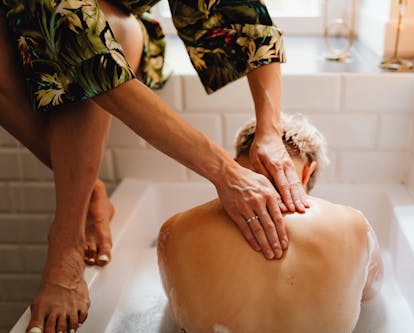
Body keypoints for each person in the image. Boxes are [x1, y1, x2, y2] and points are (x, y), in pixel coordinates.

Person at [0, 1, 309, 332]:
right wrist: (224, 173)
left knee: (109, 27)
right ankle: (69, 233)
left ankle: (81, 191)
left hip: (118, 30)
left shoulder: (180, 232)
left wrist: (270, 131)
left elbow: (244, 16)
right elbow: (79, 42)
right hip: (40, 23)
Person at [157, 113, 384, 333]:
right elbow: (370, 292)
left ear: (235, 164)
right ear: (308, 172)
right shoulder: (355, 227)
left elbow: (175, 300)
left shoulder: (176, 230)